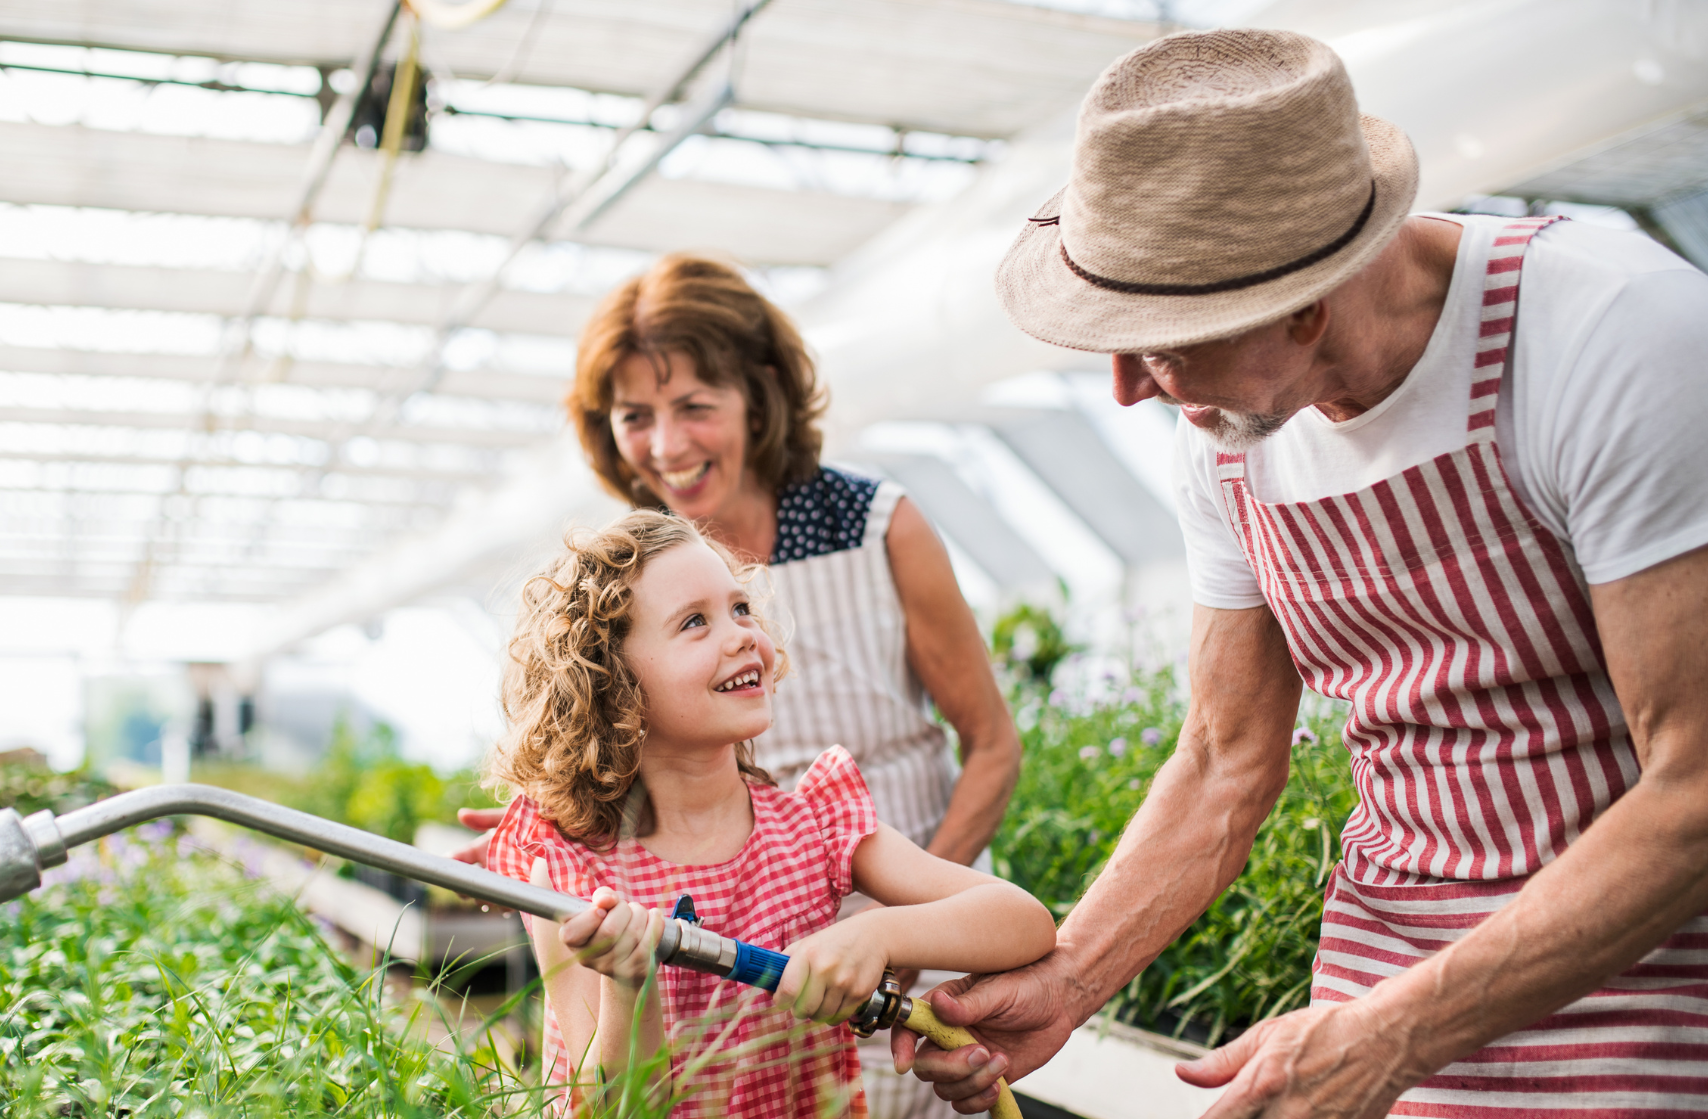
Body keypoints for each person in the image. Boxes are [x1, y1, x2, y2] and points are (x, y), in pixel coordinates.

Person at [902, 27, 1708, 1118]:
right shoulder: (1231, 427)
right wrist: (1068, 979)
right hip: (1377, 973)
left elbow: (1694, 791)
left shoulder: (1605, 336)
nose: (1131, 391)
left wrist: (1398, 1035)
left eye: (1163, 341)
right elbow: (1224, 760)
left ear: (1305, 299)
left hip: (1651, 984)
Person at [460, 254, 1024, 1117]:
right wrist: (567, 806)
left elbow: (991, 749)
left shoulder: (873, 529)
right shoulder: (633, 568)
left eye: (694, 406)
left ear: (757, 398)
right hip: (750, 915)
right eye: (634, 416)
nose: (666, 444)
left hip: (875, 918)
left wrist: (882, 935)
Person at [486, 510, 1054, 1118]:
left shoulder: (813, 825)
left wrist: (877, 932)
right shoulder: (571, 868)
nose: (741, 635)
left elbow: (1024, 922)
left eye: (739, 609)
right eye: (694, 622)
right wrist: (629, 987)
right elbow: (615, 1111)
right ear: (611, 681)